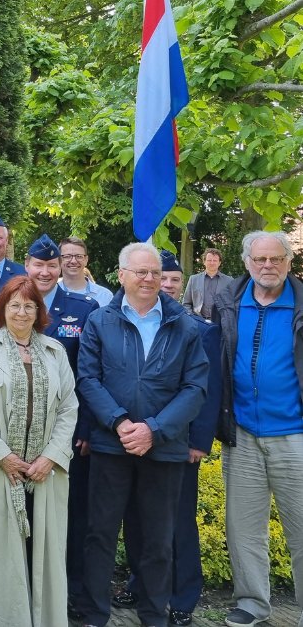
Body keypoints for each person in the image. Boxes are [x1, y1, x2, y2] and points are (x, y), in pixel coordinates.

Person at [74, 242, 208, 627]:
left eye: (154, 272)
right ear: (122, 275)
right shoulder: (100, 321)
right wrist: (119, 422)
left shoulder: (183, 324)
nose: (149, 279)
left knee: (157, 540)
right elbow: (88, 378)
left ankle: (153, 616)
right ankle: (95, 615)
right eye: (140, 272)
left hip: (163, 448)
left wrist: (154, 429)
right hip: (110, 445)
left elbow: (195, 387)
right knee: (100, 534)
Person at [0, 275, 78, 626]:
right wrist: (0, 456)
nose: (22, 313)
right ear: (2, 309)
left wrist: (51, 456)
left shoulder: (55, 352)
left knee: (43, 550)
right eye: (15, 305)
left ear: (39, 311)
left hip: (44, 473)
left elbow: (69, 406)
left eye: (29, 306)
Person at [115, 250, 222, 627]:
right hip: (135, 439)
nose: (168, 284)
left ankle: (182, 597)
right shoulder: (135, 320)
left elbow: (206, 392)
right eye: (165, 278)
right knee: (139, 520)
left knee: (177, 523)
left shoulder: (199, 329)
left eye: (175, 279)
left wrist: (198, 441)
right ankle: (140, 582)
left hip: (179, 443)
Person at [217, 231, 303, 627]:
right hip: (244, 433)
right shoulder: (229, 302)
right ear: (247, 261)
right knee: (244, 528)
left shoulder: (300, 305)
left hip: (294, 434)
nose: (267, 266)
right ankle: (252, 602)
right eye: (260, 259)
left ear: (289, 262)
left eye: (276, 259)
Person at [23, 234, 96, 619]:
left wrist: (82, 428)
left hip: (66, 435)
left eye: (52, 266)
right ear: (27, 265)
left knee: (71, 517)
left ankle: (68, 591)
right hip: (17, 432)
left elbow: (90, 375)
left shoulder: (83, 310)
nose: (46, 271)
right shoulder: (12, 305)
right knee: (23, 515)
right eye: (39, 265)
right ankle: (23, 589)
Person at [57, 236, 113, 307]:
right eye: (67, 256)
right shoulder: (49, 294)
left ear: (86, 260)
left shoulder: (105, 296)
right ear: (59, 260)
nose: (74, 261)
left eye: (79, 256)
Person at [182, 247, 234, 323]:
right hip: (198, 322)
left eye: (215, 260)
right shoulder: (193, 279)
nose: (212, 263)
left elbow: (232, 304)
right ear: (204, 262)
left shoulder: (229, 281)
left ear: (219, 263)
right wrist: (192, 318)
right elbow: (186, 304)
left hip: (221, 323)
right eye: (209, 260)